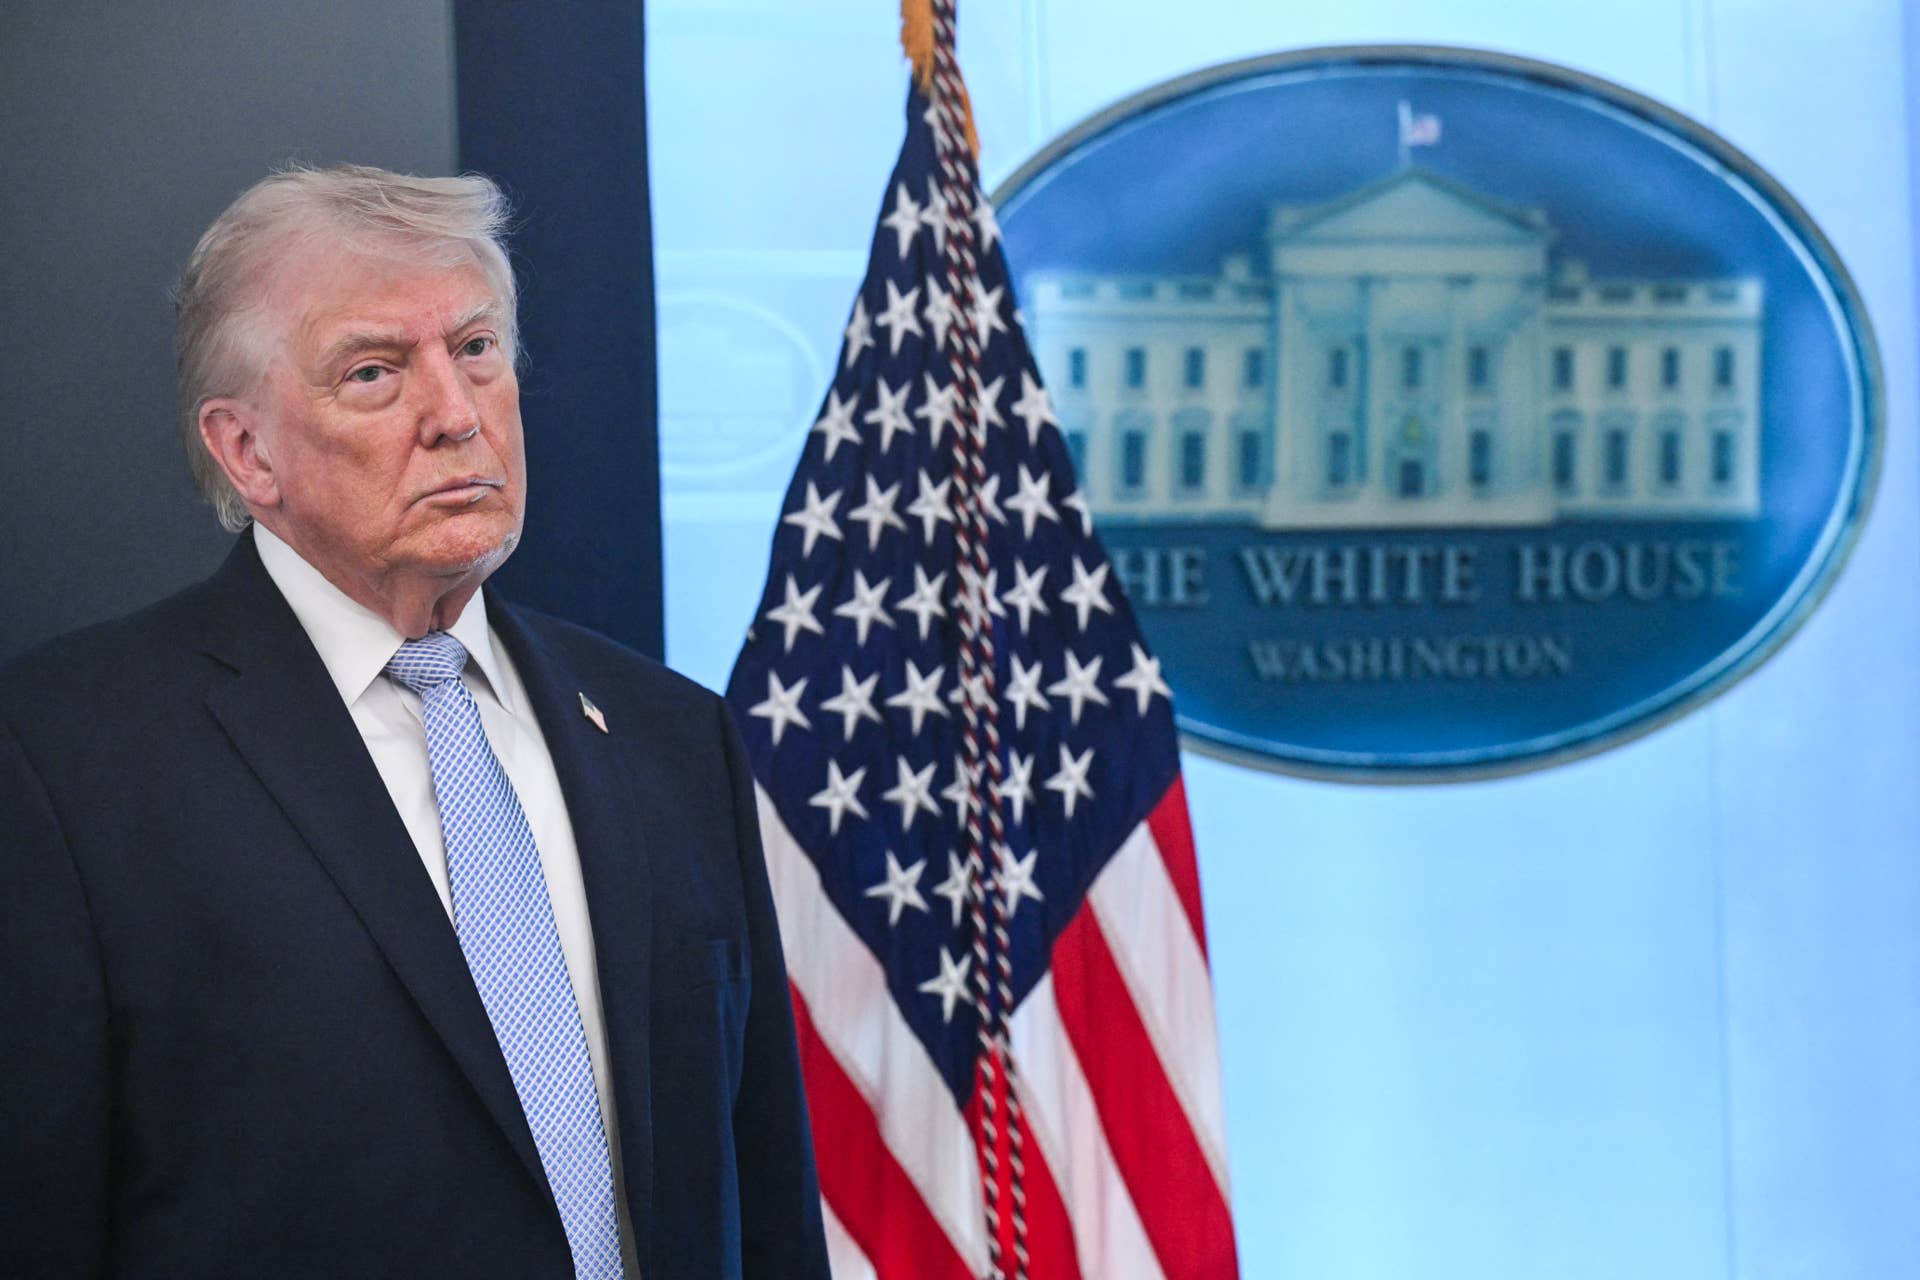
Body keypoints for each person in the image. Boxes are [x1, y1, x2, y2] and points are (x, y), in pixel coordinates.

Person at [0, 164, 829, 1279]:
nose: (455, 414)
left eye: (478, 349)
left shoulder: (670, 734)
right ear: (248, 451)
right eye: (376, 371)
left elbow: (764, 1202)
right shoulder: (64, 763)